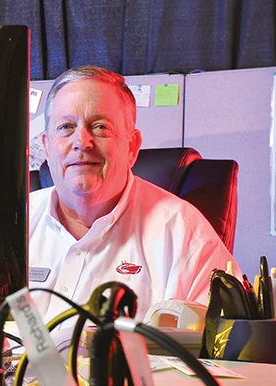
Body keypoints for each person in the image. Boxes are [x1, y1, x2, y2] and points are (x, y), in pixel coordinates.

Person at [29, 65, 239, 329]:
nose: (82, 141)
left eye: (100, 126)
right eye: (66, 127)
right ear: (47, 146)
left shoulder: (184, 234)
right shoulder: (11, 226)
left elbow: (225, 352)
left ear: (132, 147)